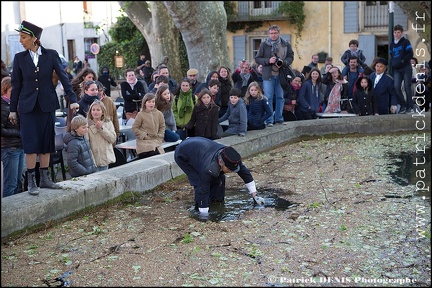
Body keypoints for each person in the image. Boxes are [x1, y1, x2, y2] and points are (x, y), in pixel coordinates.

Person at [9, 21, 79, 195]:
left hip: (47, 105)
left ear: (34, 38)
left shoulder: (51, 55)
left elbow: (64, 78)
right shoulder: (19, 58)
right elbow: (16, 86)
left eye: (23, 37)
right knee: (31, 144)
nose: (20, 40)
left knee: (46, 143)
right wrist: (12, 109)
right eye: (20, 37)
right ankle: (32, 181)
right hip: (27, 107)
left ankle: (46, 179)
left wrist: (73, 99)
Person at [174, 136, 265, 217]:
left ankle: (216, 203)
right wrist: (204, 215)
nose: (231, 172)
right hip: (183, 154)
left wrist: (255, 195)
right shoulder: (208, 169)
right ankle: (199, 209)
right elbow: (203, 190)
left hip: (202, 148)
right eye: (229, 169)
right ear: (221, 162)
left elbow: (245, 174)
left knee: (220, 178)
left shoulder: (233, 158)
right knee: (199, 181)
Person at [255, 25, 294, 126]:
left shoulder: (285, 44)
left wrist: (283, 62)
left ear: (279, 33)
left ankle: (279, 118)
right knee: (268, 97)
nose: (273, 35)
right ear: (269, 34)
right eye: (271, 33)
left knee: (280, 97)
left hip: (281, 75)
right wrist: (268, 60)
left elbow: (291, 57)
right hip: (268, 75)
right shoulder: (264, 45)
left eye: (275, 33)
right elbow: (257, 58)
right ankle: (269, 120)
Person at [1, 76, 25, 197]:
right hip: (10, 148)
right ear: (5, 90)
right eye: (12, 91)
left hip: (19, 146)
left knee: (18, 182)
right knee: (10, 184)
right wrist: (19, 133)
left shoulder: (14, 104)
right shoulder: (3, 106)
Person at [390, 24, 415, 114]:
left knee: (407, 87)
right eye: (395, 32)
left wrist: (403, 60)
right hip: (396, 69)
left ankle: (410, 106)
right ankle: (403, 105)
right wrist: (393, 64)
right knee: (396, 87)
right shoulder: (392, 44)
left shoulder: (406, 42)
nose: (397, 34)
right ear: (393, 33)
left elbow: (410, 53)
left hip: (406, 67)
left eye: (398, 32)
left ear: (402, 33)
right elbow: (392, 56)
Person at [132, 93, 166, 159]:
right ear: (145, 103)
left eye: (153, 102)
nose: (151, 104)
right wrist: (144, 135)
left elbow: (162, 126)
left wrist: (160, 136)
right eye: (149, 102)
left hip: (156, 140)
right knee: (150, 154)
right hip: (144, 142)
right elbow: (135, 128)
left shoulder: (159, 114)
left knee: (160, 156)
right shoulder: (140, 114)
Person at [86, 100, 116, 171]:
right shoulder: (87, 125)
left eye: (98, 110)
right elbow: (87, 143)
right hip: (94, 159)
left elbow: (112, 139)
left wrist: (101, 129)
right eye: (93, 110)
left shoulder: (108, 123)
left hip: (105, 158)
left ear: (102, 112)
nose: (95, 112)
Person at [67, 67, 96, 132]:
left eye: (92, 78)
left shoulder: (94, 91)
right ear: (83, 77)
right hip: (77, 120)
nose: (91, 79)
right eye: (89, 77)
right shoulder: (76, 91)